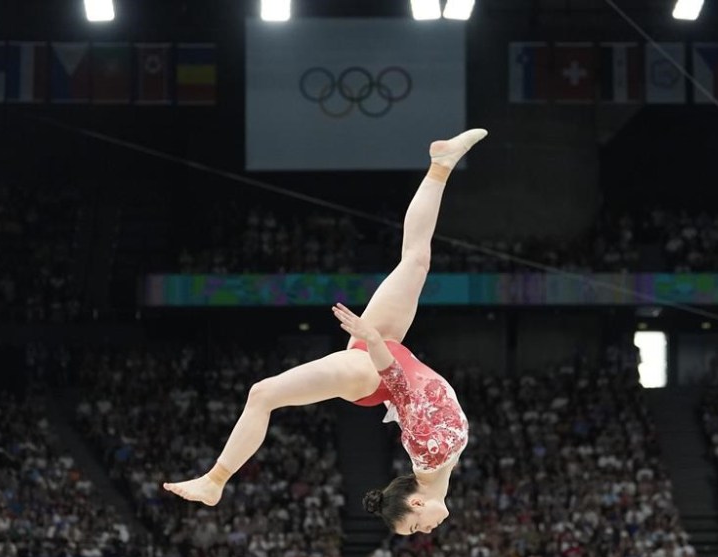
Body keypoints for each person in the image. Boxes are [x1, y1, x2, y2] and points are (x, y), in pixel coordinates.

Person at [163, 129, 488, 535]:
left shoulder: (432, 455)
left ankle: (214, 481)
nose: (425, 531)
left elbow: (403, 388)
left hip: (373, 368)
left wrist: (371, 341)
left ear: (418, 502)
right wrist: (375, 343)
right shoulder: (437, 462)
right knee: (416, 259)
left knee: (263, 393)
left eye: (415, 526)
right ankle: (440, 165)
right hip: (381, 359)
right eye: (416, 531)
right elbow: (405, 393)